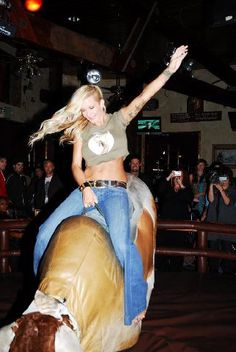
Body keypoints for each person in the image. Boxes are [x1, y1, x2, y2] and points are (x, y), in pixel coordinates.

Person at [29, 44, 188, 325]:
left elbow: (143, 96)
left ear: (102, 103)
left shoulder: (118, 120)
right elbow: (76, 167)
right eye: (83, 109)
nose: (88, 113)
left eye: (91, 108)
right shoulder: (80, 130)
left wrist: (169, 70)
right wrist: (85, 188)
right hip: (87, 189)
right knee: (43, 233)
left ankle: (136, 303)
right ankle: (41, 296)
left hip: (115, 192)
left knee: (123, 246)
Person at [156, 169, 194, 271]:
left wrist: (181, 185)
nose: (177, 177)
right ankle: (162, 272)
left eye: (180, 176)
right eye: (176, 175)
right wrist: (169, 177)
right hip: (165, 226)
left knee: (177, 253)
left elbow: (189, 198)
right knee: (162, 252)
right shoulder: (167, 188)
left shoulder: (186, 189)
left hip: (179, 227)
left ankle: (176, 273)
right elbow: (159, 191)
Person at [206, 166, 236, 274]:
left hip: (228, 228)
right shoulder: (215, 188)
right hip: (214, 227)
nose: (223, 180)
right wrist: (211, 184)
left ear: (229, 179)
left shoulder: (233, 189)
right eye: (221, 177)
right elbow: (211, 200)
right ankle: (213, 275)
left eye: (225, 178)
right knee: (213, 254)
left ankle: (228, 276)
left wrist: (221, 189)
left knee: (228, 255)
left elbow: (228, 202)